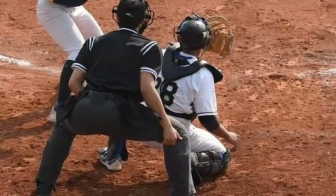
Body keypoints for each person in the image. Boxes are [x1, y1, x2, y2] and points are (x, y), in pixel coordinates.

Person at [35, 0, 196, 196]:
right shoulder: (148, 47)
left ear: (117, 16)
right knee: (179, 132)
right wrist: (165, 123)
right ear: (144, 20)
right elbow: (147, 89)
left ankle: (43, 187)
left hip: (87, 110)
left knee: (63, 126)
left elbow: (73, 83)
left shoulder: (93, 42)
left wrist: (92, 103)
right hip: (125, 116)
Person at [99, 14, 240, 187]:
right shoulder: (203, 74)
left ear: (179, 37)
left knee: (125, 99)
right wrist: (228, 135)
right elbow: (208, 120)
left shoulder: (161, 53)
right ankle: (189, 162)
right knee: (222, 155)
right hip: (174, 134)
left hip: (139, 125)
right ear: (205, 43)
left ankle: (113, 154)